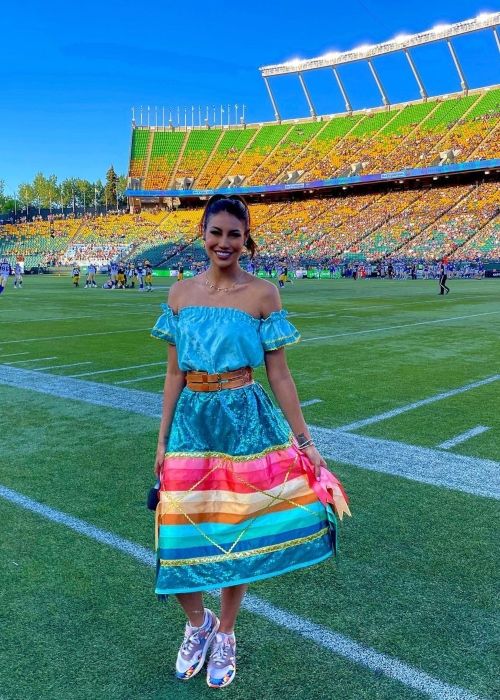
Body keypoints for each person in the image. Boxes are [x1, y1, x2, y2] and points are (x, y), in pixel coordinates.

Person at [151, 195, 350, 689]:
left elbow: (280, 377)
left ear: (246, 239)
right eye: (215, 232)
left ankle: (227, 634)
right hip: (191, 425)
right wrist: (161, 443)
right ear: (203, 235)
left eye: (234, 234)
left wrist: (305, 442)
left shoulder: (264, 295)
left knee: (236, 534)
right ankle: (199, 625)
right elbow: (174, 373)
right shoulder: (178, 294)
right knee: (177, 534)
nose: (224, 243)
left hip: (246, 422)